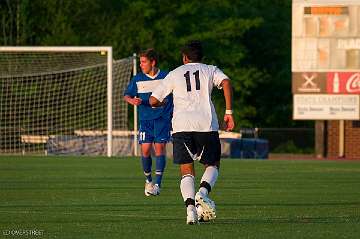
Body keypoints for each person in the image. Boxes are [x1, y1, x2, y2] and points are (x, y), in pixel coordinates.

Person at [149, 40, 235, 224]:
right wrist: (228, 112)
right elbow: (226, 82)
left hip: (181, 126)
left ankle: (190, 210)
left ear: (184, 57)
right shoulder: (210, 69)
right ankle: (202, 193)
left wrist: (164, 103)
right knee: (213, 165)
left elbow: (153, 100)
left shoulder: (174, 73)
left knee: (186, 171)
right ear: (201, 57)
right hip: (205, 124)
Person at [124, 49, 173, 196]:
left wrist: (165, 103)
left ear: (153, 62)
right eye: (140, 62)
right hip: (145, 120)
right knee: (145, 150)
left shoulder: (166, 77)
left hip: (162, 119)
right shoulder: (137, 79)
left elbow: (173, 95)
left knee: (159, 149)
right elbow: (127, 95)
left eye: (144, 62)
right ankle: (148, 180)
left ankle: (158, 184)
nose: (141, 65)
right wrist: (132, 100)